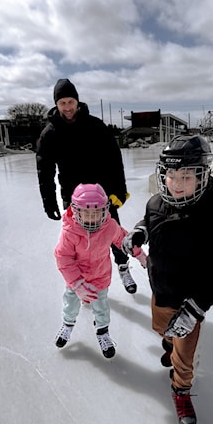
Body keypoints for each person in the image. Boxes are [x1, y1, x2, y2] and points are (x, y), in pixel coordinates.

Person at [122, 135, 213, 424]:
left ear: (202, 177)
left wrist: (195, 309)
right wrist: (139, 233)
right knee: (161, 329)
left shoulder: (210, 220)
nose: (177, 183)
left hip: (189, 301)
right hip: (161, 289)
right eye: (171, 175)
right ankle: (168, 341)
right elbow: (149, 220)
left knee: (183, 359)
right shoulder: (156, 202)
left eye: (186, 176)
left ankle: (181, 390)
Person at [36, 78, 137, 294]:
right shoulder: (50, 133)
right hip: (73, 197)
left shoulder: (95, 126)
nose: (67, 107)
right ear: (56, 104)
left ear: (77, 101)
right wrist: (49, 202)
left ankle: (122, 267)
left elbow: (114, 158)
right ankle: (82, 281)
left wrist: (119, 189)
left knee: (113, 234)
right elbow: (44, 170)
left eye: (70, 102)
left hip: (102, 195)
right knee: (78, 243)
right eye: (62, 103)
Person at [54, 183, 147, 357]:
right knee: (71, 303)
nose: (91, 218)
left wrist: (139, 254)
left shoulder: (109, 226)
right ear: (76, 211)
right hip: (76, 279)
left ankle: (103, 332)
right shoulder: (70, 232)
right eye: (86, 212)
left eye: (96, 212)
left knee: (101, 307)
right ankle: (67, 325)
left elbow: (123, 239)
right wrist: (77, 284)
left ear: (104, 210)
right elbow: (63, 258)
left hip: (100, 276)